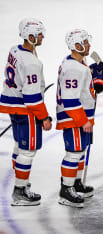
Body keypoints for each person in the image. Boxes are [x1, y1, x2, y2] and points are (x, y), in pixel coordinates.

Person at [0, 18, 52, 206]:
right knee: (28, 151)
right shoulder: (31, 63)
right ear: (30, 36)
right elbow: (31, 97)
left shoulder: (15, 49)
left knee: (18, 146)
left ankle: (21, 179)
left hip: (12, 105)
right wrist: (44, 117)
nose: (42, 37)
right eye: (39, 34)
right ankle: (20, 191)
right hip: (26, 109)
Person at [56, 29, 103, 207]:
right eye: (85, 42)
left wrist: (95, 75)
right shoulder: (73, 68)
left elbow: (82, 86)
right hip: (74, 118)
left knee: (80, 151)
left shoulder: (78, 63)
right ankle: (66, 190)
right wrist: (83, 120)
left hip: (79, 116)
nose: (89, 45)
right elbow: (70, 99)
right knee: (74, 153)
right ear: (76, 45)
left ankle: (75, 183)